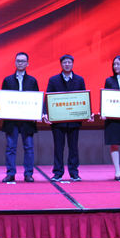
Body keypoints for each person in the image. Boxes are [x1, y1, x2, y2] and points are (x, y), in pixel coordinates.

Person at [43, 54, 93, 182]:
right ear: (61, 64)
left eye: (69, 62)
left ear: (73, 64)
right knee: (58, 148)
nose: (67, 64)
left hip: (74, 121)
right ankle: (58, 173)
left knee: (73, 148)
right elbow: (47, 98)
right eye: (64, 62)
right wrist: (45, 113)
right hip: (58, 121)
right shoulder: (53, 80)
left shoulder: (79, 80)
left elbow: (83, 98)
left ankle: (74, 173)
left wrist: (88, 113)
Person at [0, 52, 40, 183]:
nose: (20, 63)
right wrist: (1, 112)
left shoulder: (32, 80)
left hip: (27, 121)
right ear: (15, 63)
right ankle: (10, 173)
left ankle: (28, 174)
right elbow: (4, 99)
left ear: (27, 63)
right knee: (10, 148)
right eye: (18, 61)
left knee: (29, 148)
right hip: (11, 120)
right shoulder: (7, 80)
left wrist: (37, 113)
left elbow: (37, 99)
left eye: (23, 61)